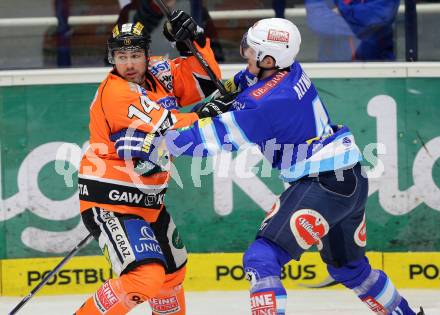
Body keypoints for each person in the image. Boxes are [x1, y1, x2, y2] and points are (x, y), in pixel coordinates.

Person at [111, 18, 425, 315]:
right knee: (350, 269)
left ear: (269, 59)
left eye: (252, 48)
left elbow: (211, 138)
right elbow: (238, 86)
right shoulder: (286, 71)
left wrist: (158, 147)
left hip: (323, 186)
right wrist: (194, 41)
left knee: (262, 259)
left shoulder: (266, 103)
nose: (245, 51)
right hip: (351, 182)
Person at [75, 10, 221, 315]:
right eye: (121, 56)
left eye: (135, 55)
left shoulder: (158, 74)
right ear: (111, 59)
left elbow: (205, 81)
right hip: (112, 200)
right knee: (144, 278)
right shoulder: (115, 94)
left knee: (171, 276)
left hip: (149, 203)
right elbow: (171, 128)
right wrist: (210, 115)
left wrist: (192, 42)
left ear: (146, 55)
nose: (128, 64)